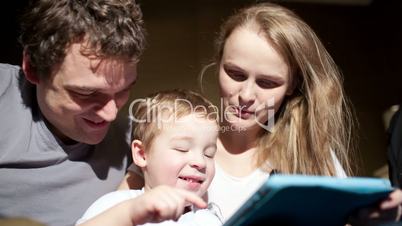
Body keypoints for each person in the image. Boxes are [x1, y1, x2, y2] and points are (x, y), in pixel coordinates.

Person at [122, 2, 402, 225]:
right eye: (235, 74)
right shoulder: (172, 147)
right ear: (218, 63)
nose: (245, 95)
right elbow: (114, 213)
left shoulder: (311, 154)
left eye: (267, 83)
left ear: (292, 85)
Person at [0, 0, 146, 225]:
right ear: (32, 68)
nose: (111, 114)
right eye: (86, 93)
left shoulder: (138, 134)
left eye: (123, 91)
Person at [76, 89, 222, 226]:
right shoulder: (118, 207)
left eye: (208, 154)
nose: (200, 162)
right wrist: (130, 214)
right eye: (182, 149)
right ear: (141, 154)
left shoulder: (207, 220)